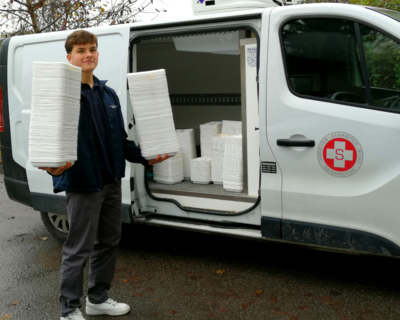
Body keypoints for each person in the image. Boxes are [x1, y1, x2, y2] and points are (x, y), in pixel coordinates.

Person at [40, 30, 168, 320]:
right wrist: (51, 166)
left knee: (109, 241)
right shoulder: (63, 93)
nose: (88, 54)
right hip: (83, 182)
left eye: (92, 49)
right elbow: (49, 139)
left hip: (111, 181)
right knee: (79, 248)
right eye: (81, 50)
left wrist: (145, 156)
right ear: (69, 56)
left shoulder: (108, 94)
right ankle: (69, 309)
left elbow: (119, 140)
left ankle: (97, 298)